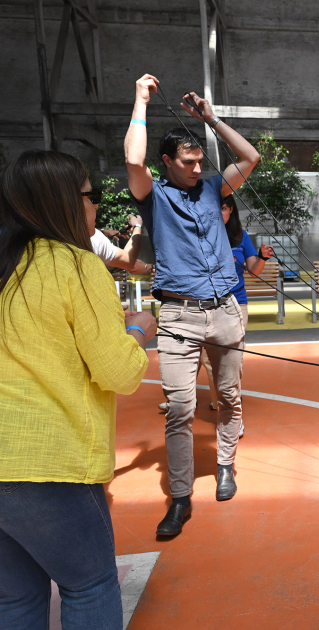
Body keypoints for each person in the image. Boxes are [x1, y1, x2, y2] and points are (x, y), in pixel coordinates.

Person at [0, 150, 155, 629]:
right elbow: (118, 372)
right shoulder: (76, 266)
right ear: (66, 202)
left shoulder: (8, 266)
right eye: (92, 195)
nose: (95, 206)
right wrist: (138, 331)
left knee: (16, 600)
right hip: (48, 466)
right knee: (89, 586)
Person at [125, 74, 260, 537]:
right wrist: (141, 100)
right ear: (168, 162)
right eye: (187, 162)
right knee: (181, 407)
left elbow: (251, 157)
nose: (197, 168)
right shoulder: (153, 196)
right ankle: (180, 498)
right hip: (178, 315)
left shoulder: (212, 189)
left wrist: (211, 119)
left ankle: (226, 465)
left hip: (224, 311)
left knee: (228, 398)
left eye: (200, 160)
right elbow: (132, 158)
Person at [159, 196, 275, 438]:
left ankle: (231, 413)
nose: (219, 212)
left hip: (235, 304)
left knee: (227, 362)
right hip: (202, 304)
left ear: (231, 210)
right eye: (215, 207)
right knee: (199, 357)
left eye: (224, 207)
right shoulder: (197, 234)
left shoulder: (240, 237)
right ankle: (187, 403)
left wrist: (262, 258)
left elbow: (254, 270)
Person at [89, 207, 150, 274]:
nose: (96, 206)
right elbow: (127, 260)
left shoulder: (79, 235)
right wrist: (137, 226)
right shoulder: (94, 239)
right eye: (92, 199)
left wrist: (103, 232)